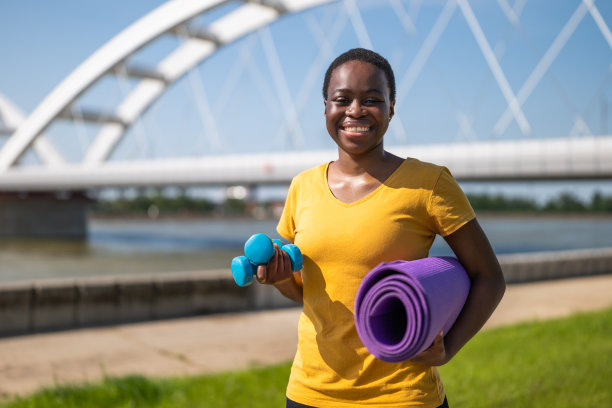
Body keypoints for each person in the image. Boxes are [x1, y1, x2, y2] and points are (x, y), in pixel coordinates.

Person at [256, 48, 506, 408]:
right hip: (310, 393)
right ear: (325, 107)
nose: (355, 110)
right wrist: (280, 278)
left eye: (372, 99)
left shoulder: (429, 183)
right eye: (342, 99)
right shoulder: (302, 187)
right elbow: (308, 294)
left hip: (401, 395)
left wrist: (448, 348)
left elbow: (489, 277)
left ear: (391, 108)